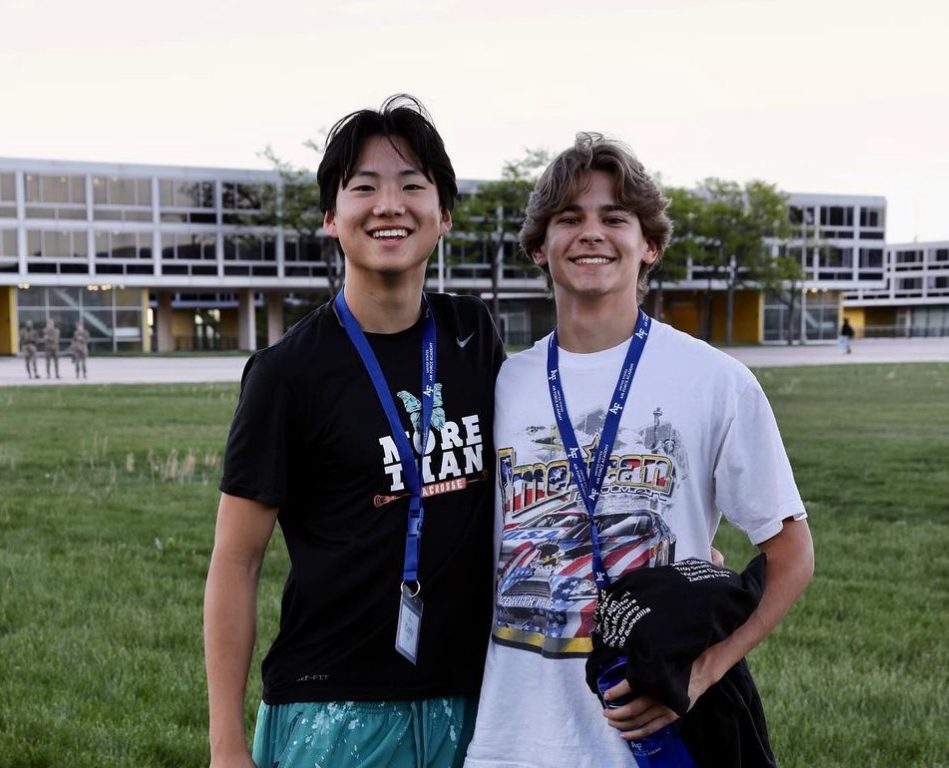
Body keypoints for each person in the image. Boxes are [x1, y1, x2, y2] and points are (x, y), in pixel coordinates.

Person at [464, 133, 814, 767]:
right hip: (514, 736)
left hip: (651, 735)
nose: (591, 233)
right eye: (569, 218)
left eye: (614, 218)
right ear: (540, 248)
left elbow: (792, 556)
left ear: (648, 243)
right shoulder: (506, 384)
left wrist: (701, 675)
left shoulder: (714, 380)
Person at [204, 95, 505, 768]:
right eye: (363, 187)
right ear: (331, 220)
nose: (388, 205)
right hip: (334, 709)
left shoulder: (471, 335)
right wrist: (225, 741)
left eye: (412, 186)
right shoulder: (287, 373)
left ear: (444, 215)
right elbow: (236, 560)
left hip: (471, 699)